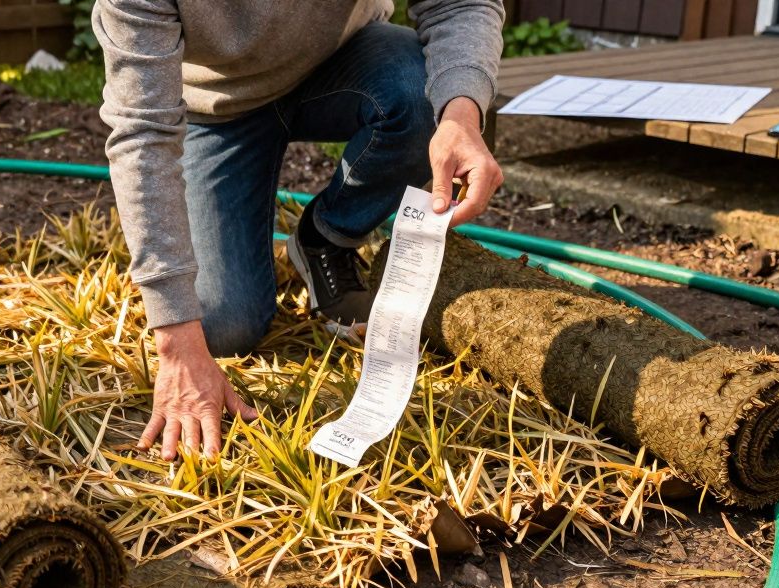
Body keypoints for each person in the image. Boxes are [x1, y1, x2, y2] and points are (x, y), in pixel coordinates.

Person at [95, 0, 505, 461]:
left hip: (345, 62)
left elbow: (461, 4)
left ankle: (326, 238)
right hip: (217, 108)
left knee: (420, 95)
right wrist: (175, 342)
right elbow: (142, 135)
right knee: (225, 327)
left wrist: (460, 118)